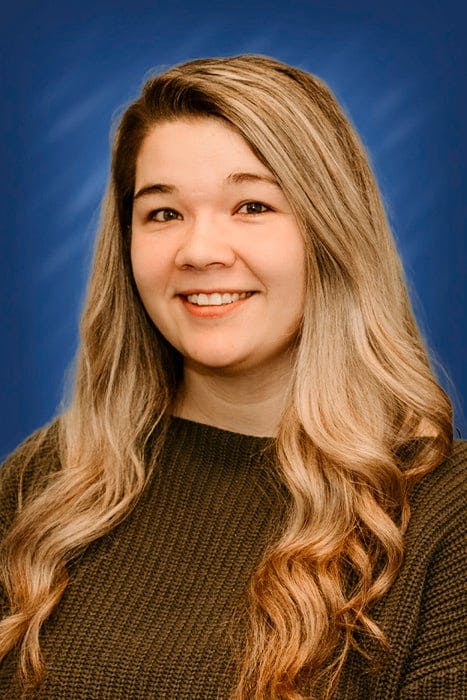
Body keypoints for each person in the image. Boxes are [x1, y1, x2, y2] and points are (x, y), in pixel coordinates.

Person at [0, 54, 465, 699]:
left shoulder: (443, 511)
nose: (199, 251)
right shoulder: (49, 481)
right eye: (163, 213)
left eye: (251, 205)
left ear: (330, 233)